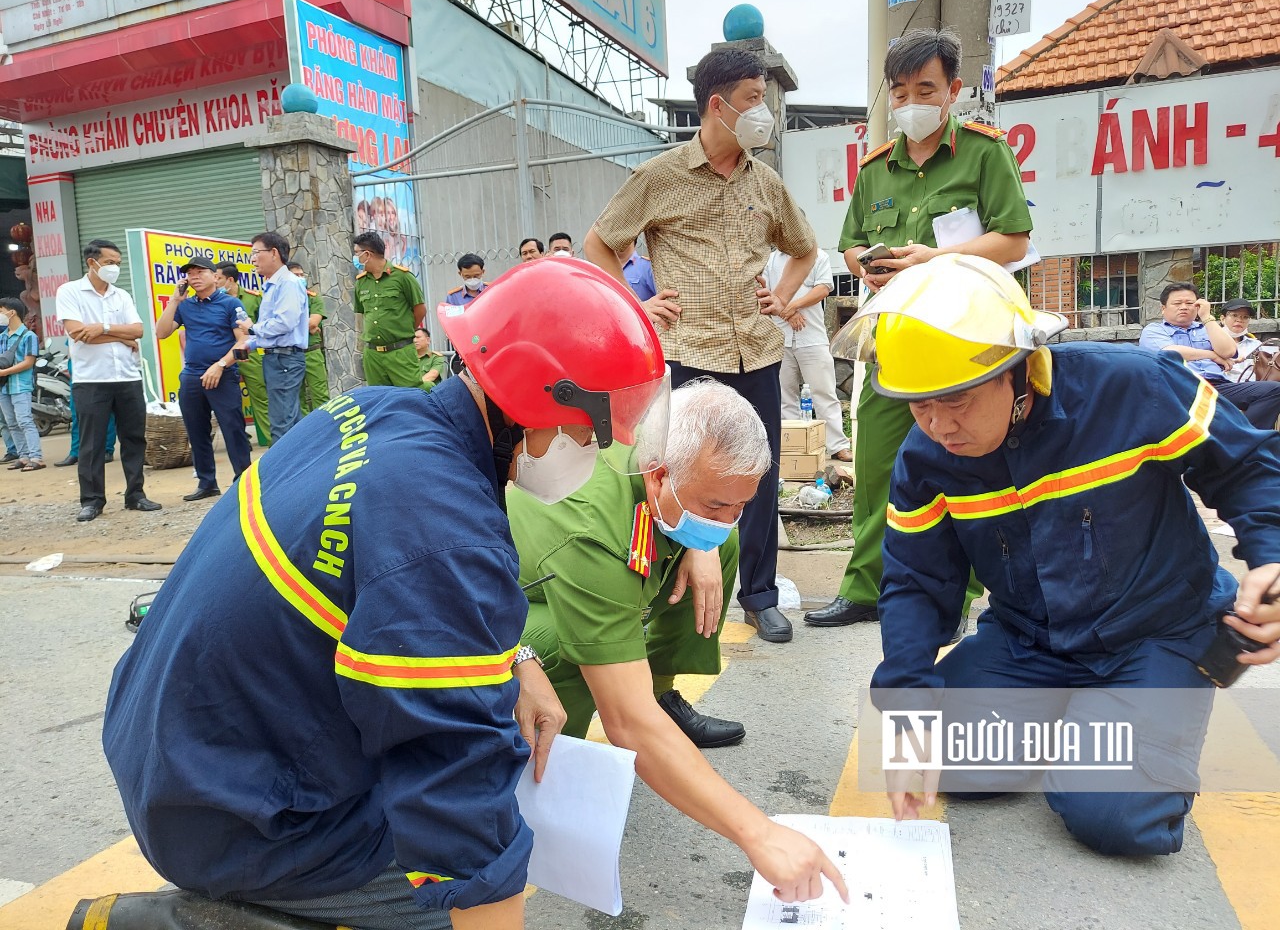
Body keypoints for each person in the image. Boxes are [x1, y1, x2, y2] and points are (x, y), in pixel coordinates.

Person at [95, 260, 729, 930]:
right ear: (538, 401)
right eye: (590, 432)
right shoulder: (445, 528)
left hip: (169, 742)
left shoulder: (375, 410)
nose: (599, 452)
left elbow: (402, 572)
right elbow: (458, 802)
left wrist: (511, 658)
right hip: (235, 813)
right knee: (450, 885)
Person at [832, 253, 1280, 856]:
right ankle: (1081, 723)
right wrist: (910, 707)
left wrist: (1271, 557)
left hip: (1156, 633)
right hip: (1028, 641)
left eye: (955, 401)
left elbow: (1247, 465)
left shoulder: (1133, 387)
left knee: (1112, 819)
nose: (938, 426)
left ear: (1017, 371)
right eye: (918, 405)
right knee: (934, 760)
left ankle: (1134, 718)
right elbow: (915, 583)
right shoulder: (924, 458)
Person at [511, 382, 849, 897]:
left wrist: (706, 539)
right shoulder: (593, 532)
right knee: (567, 650)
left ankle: (658, 693)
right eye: (715, 506)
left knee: (719, 549)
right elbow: (627, 725)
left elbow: (704, 514)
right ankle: (539, 776)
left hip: (628, 530)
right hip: (506, 611)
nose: (726, 520)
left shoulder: (653, 442)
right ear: (658, 476)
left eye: (740, 506)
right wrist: (758, 833)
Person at [585, 46, 819, 643]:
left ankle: (759, 594)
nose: (762, 112)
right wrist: (636, 306)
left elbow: (805, 248)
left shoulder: (765, 184)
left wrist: (784, 299)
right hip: (688, 350)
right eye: (751, 100)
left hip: (756, 350)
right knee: (684, 477)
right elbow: (600, 244)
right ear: (717, 105)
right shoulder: (660, 177)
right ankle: (674, 593)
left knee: (757, 474)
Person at [807, 28, 1033, 630]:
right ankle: (863, 588)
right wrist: (871, 264)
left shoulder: (985, 154)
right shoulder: (878, 168)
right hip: (896, 331)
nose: (911, 101)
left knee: (962, 460)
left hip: (966, 338)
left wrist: (936, 259)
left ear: (953, 90)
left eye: (924, 88)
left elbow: (1014, 237)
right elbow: (850, 244)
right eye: (900, 90)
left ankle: (952, 598)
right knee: (878, 461)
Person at [55, 239, 160, 522]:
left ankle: (135, 494)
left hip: (127, 377)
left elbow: (137, 330)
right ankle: (92, 501)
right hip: (91, 380)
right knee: (92, 443)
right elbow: (77, 332)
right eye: (110, 262)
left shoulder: (121, 295)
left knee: (134, 438)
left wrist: (102, 328)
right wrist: (120, 335)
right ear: (93, 262)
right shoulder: (70, 291)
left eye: (118, 263)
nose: (114, 268)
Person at [154, 255, 253, 502]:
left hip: (223, 373)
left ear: (214, 276)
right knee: (196, 430)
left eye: (200, 272)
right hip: (192, 376)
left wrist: (220, 366)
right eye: (190, 273)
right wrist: (175, 300)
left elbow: (244, 341)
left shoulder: (230, 304)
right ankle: (207, 482)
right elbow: (161, 332)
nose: (194, 277)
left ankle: (244, 480)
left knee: (233, 429)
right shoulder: (185, 306)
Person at [1139, 283, 1280, 430]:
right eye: (1177, 303)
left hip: (1217, 387)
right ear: (1163, 309)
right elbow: (1170, 352)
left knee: (1274, 390)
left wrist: (1207, 317)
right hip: (1179, 386)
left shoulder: (1206, 328)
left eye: (1189, 303)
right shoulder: (1154, 330)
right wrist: (1212, 355)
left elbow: (1229, 352)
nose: (1184, 307)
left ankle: (1247, 438)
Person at [762, 249, 852, 462]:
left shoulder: (818, 255)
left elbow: (822, 289)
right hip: (779, 336)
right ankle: (793, 448)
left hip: (812, 336)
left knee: (825, 393)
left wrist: (792, 306)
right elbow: (764, 292)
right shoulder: (770, 260)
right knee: (785, 396)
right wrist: (789, 313)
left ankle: (837, 446)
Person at [237, 232, 310, 441]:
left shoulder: (287, 283)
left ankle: (282, 473)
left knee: (281, 425)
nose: (252, 259)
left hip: (284, 360)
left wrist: (253, 329)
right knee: (292, 422)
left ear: (274, 253)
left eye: (256, 253)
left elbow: (285, 322)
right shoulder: (273, 284)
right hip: (278, 358)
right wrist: (251, 344)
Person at [354, 231, 427, 387]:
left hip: (400, 353)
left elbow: (420, 309)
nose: (355, 258)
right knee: (379, 401)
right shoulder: (361, 282)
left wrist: (404, 330)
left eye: (357, 253)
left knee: (410, 397)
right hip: (373, 355)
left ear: (367, 254)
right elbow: (361, 314)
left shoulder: (402, 277)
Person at [216, 261, 269, 447]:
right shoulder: (214, 301)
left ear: (230, 280)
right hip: (225, 356)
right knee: (229, 401)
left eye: (219, 278)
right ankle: (239, 440)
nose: (215, 282)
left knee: (260, 395)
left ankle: (267, 439)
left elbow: (264, 323)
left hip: (248, 353)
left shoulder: (253, 298)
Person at [0, 297, 43, 471]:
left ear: (12, 313)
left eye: (1, 311)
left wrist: (4, 372)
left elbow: (28, 362)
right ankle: (23, 456)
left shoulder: (29, 336)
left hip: (20, 385)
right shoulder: (2, 336)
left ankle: (36, 457)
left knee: (25, 421)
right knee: (11, 423)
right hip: (4, 387)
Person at [288, 262, 331, 415]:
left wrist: (310, 325)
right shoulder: (283, 299)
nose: (301, 277)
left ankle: (325, 428)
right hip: (292, 354)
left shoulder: (313, 298)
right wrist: (306, 326)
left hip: (312, 353)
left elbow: (313, 322)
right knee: (297, 398)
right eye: (296, 275)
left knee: (320, 394)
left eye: (302, 274)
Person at [1220, 298, 1270, 383]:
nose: (1239, 320)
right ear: (1222, 319)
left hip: (1255, 389)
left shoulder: (1257, 345)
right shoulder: (1210, 342)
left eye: (1245, 317)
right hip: (1223, 388)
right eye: (1234, 315)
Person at [414, 326, 445, 394]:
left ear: (428, 340)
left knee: (428, 385)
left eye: (418, 337)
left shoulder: (436, 357)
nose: (415, 340)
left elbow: (432, 375)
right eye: (413, 338)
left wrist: (411, 388)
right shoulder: (409, 358)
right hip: (409, 391)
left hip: (428, 394)